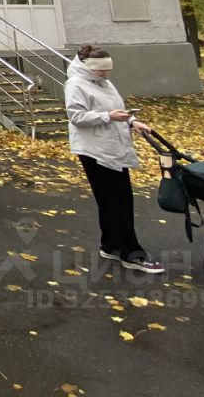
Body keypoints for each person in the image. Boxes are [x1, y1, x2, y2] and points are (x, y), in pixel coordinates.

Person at [65, 44, 164, 274]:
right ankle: (130, 253)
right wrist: (107, 116)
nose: (106, 74)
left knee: (115, 199)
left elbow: (117, 108)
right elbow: (76, 116)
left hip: (111, 146)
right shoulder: (76, 84)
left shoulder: (104, 83)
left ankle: (110, 244)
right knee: (116, 201)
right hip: (94, 150)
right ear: (90, 67)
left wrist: (132, 121)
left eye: (108, 70)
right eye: (102, 70)